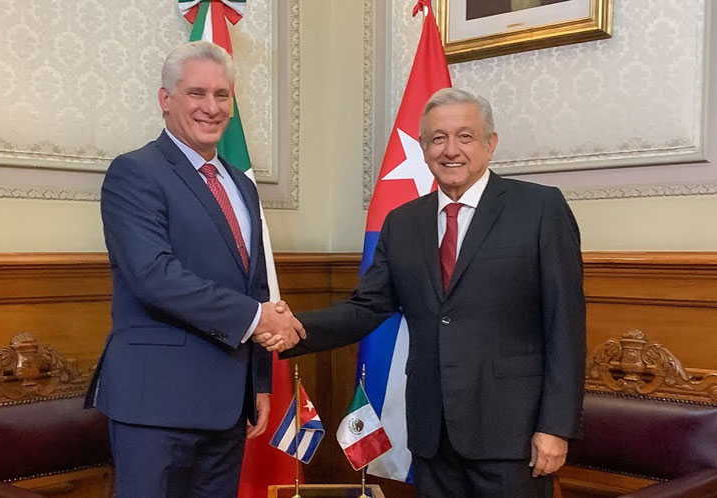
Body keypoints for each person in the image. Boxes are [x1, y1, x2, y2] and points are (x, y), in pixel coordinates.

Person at [266, 88, 586, 497]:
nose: (451, 150)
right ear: (423, 148)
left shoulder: (540, 209)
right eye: (438, 138)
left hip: (513, 434)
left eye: (465, 136)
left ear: (490, 144)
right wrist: (294, 328)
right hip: (432, 432)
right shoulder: (403, 223)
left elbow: (565, 325)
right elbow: (367, 307)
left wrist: (555, 427)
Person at [84, 41, 305, 498]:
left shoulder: (240, 184)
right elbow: (153, 276)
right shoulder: (134, 173)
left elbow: (257, 285)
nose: (211, 107)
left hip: (227, 403)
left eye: (222, 95)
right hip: (155, 403)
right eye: (196, 94)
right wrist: (257, 318)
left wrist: (258, 382)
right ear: (166, 101)